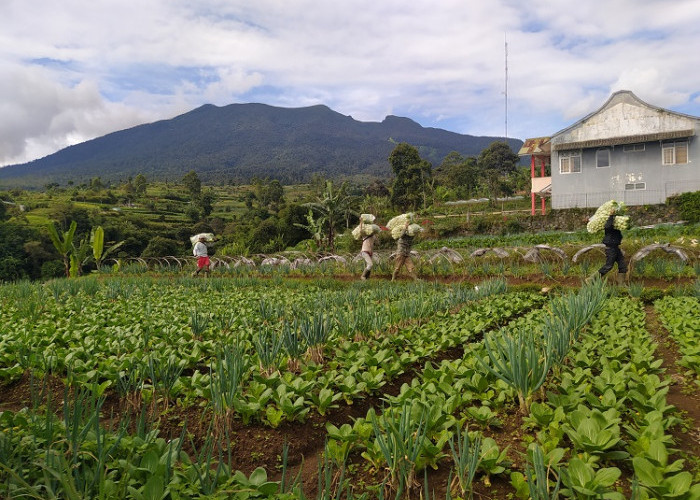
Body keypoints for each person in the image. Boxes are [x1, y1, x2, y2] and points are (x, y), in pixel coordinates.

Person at [592, 209, 628, 284]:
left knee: (623, 266)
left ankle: (621, 284)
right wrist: (611, 215)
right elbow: (607, 226)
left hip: (616, 247)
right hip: (610, 247)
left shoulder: (616, 226)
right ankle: (591, 279)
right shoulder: (609, 223)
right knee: (609, 266)